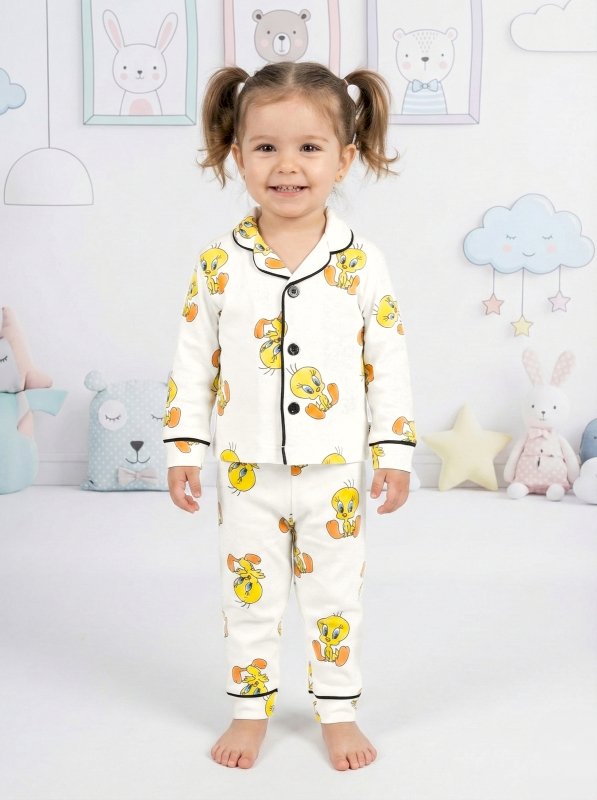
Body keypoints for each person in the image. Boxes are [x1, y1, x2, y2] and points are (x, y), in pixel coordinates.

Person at [164, 61, 416, 771]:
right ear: (235, 155)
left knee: (334, 596)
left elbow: (387, 359)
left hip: (333, 468)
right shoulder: (219, 263)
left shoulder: (361, 262)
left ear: (345, 158)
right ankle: (250, 711)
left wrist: (393, 453)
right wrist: (184, 448)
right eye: (266, 147)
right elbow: (194, 358)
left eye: (309, 147)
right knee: (250, 597)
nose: (287, 165)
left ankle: (338, 711)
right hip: (246, 468)